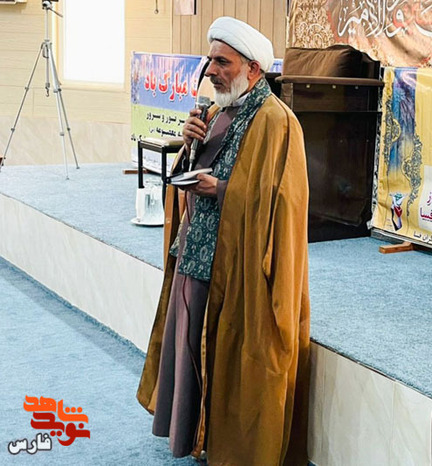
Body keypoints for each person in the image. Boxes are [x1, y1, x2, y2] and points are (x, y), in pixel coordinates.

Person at [136, 17, 310, 466]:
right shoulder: (215, 112)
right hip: (196, 255)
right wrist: (189, 145)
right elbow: (186, 177)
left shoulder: (277, 122)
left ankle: (225, 444)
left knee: (228, 355)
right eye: (210, 60)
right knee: (191, 348)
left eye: (223, 62)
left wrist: (224, 190)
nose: (211, 71)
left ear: (253, 69)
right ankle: (194, 437)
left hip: (238, 265)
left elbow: (285, 204)